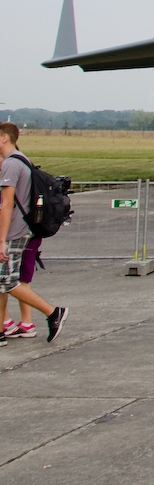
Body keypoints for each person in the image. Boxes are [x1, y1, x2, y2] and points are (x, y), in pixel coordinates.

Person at [0, 123, 67, 344]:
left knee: (8, 282)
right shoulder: (22, 159)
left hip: (14, 231)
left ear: (4, 138)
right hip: (22, 229)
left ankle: (53, 312)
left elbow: (7, 204)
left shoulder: (11, 164)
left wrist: (1, 239)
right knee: (6, 280)